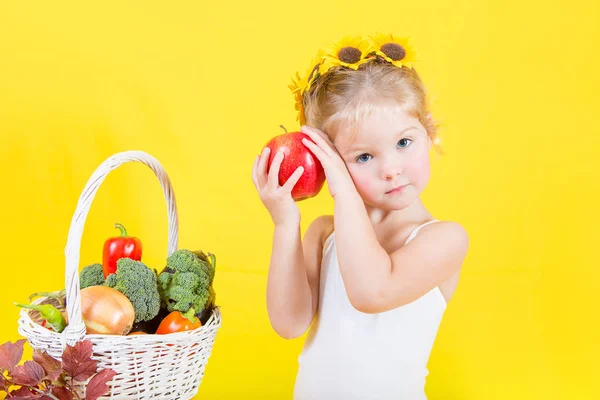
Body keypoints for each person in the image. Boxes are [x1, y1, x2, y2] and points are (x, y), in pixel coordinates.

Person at [251, 34, 469, 399]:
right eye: (364, 157)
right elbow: (289, 324)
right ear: (328, 163)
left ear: (429, 133)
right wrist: (285, 224)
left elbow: (372, 291)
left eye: (404, 142)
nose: (391, 169)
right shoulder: (324, 234)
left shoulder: (443, 238)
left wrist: (344, 193)